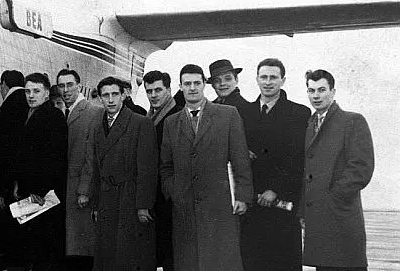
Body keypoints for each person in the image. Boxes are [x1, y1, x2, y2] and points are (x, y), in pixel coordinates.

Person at [159, 64, 252, 270]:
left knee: (221, 261)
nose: (192, 88)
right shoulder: (171, 123)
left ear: (204, 85)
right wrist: (173, 191)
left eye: (196, 83)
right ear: (180, 86)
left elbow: (240, 160)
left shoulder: (228, 114)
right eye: (187, 83)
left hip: (219, 206)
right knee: (189, 261)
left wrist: (243, 196)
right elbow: (166, 166)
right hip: (184, 207)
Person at [239, 58, 310, 271]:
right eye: (264, 77)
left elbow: (298, 158)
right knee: (253, 260)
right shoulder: (243, 113)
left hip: (283, 201)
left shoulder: (299, 113)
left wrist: (275, 189)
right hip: (253, 202)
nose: (268, 82)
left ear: (283, 80)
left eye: (273, 77)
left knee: (283, 261)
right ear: (257, 80)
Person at [300, 69, 374, 271]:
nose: (316, 95)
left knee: (346, 265)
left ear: (333, 92)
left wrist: (335, 197)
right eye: (311, 90)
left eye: (322, 90)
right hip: (318, 219)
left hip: (341, 215)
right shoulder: (309, 125)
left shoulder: (352, 121)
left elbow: (361, 168)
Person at [90, 76, 158, 270]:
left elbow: (147, 169)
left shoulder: (140, 123)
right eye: (105, 95)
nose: (110, 100)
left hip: (128, 199)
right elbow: (96, 168)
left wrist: (144, 206)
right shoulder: (98, 127)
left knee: (126, 255)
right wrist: (96, 203)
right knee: (108, 255)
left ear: (123, 96)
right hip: (105, 200)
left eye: (114, 94)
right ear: (100, 98)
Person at [7, 73, 68, 270]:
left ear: (46, 93)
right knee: (31, 247)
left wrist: (39, 190)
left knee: (43, 249)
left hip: (42, 196)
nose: (31, 95)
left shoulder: (53, 116)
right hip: (28, 191)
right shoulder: (29, 114)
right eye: (27, 91)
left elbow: (54, 157)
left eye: (36, 91)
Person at [57, 69, 104, 271]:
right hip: (65, 190)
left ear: (79, 85)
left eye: (69, 85)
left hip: (80, 191)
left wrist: (85, 190)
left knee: (83, 249)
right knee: (73, 248)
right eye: (61, 86)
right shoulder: (61, 112)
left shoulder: (94, 112)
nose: (66, 90)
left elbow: (93, 156)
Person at [0, 70, 29, 268]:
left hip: (7, 191)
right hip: (23, 188)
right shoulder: (28, 104)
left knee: (7, 245)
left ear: (3, 84)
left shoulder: (8, 107)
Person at [143, 70, 183, 271]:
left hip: (171, 198)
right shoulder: (151, 116)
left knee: (172, 256)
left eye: (158, 90)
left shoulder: (178, 115)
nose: (153, 95)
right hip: (157, 198)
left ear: (169, 89)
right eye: (149, 91)